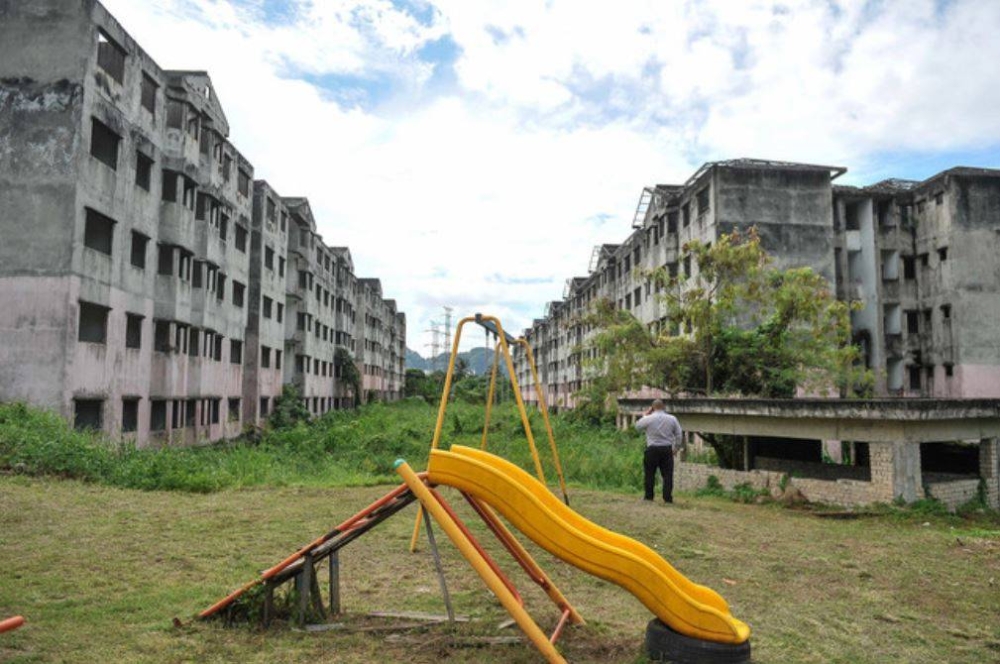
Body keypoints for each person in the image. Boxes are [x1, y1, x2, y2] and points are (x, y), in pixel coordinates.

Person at [635, 399, 682, 503]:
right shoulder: (672, 419)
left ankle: (649, 497)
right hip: (666, 449)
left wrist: (645, 415)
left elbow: (637, 426)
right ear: (663, 407)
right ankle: (667, 498)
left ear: (652, 407)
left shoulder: (649, 418)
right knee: (667, 475)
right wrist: (676, 448)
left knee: (650, 474)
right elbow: (679, 434)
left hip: (652, 449)